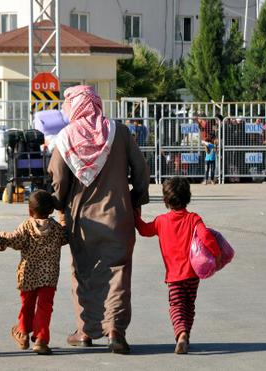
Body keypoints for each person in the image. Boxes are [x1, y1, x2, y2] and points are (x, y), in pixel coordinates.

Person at [48, 85, 150, 354]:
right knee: (117, 272)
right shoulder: (120, 132)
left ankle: (85, 331)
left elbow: (58, 182)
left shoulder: (65, 138)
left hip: (82, 222)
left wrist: (56, 206)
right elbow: (141, 170)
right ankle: (115, 330)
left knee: (84, 273)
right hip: (119, 217)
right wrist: (137, 200)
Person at [134, 177, 221, 354]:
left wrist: (136, 216)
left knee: (176, 305)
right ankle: (186, 334)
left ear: (166, 200)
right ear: (188, 196)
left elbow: (144, 230)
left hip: (174, 276)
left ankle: (180, 333)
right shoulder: (194, 218)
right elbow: (206, 237)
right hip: (193, 274)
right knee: (189, 305)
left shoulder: (160, 221)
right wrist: (217, 255)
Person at [0, 190, 68, 355]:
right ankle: (41, 339)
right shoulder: (56, 228)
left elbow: (13, 240)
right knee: (45, 307)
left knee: (27, 304)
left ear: (30, 211)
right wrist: (64, 218)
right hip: (49, 276)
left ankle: (23, 333)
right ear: (51, 210)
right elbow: (66, 237)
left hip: (28, 275)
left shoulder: (26, 226)